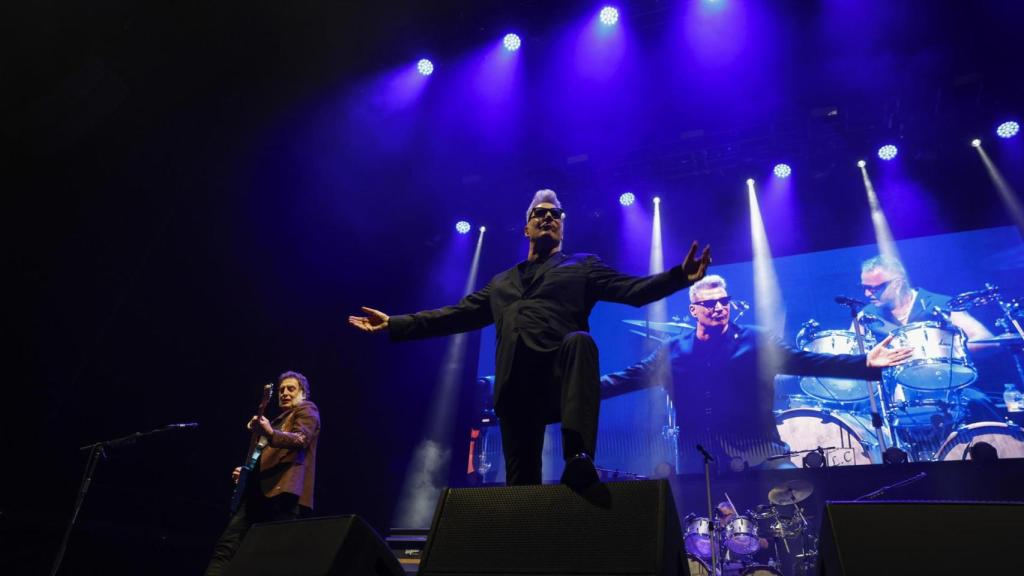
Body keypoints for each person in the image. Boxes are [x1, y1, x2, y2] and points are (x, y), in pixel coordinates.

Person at [349, 189, 711, 488]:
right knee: (522, 488)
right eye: (540, 213)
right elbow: (454, 315)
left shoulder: (582, 266)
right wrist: (394, 323)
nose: (549, 217)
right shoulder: (502, 282)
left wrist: (680, 276)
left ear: (562, 228)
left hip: (560, 381)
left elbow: (633, 291)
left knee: (579, 341)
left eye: (556, 214)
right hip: (516, 391)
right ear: (526, 228)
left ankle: (579, 458)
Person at [601, 274, 912, 473]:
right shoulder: (673, 351)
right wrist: (578, 388)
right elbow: (628, 378)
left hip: (763, 454)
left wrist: (864, 364)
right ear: (693, 309)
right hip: (700, 459)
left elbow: (808, 361)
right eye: (709, 304)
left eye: (724, 301)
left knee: (798, 501)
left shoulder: (756, 340)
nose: (718, 308)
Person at [854, 255, 1000, 454]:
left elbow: (984, 338)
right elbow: (853, 354)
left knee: (980, 402)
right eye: (864, 287)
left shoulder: (938, 304)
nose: (867, 293)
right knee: (862, 417)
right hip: (895, 396)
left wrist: (950, 349)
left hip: (949, 388)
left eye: (875, 288)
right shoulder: (866, 315)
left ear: (898, 284)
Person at [204, 371, 321, 576]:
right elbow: (265, 455)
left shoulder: (307, 409)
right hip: (257, 492)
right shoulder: (277, 420)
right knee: (226, 547)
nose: (285, 393)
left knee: (271, 555)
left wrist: (269, 432)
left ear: (303, 393)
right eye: (282, 389)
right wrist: (249, 472)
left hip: (282, 493)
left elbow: (300, 439)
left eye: (291, 389)